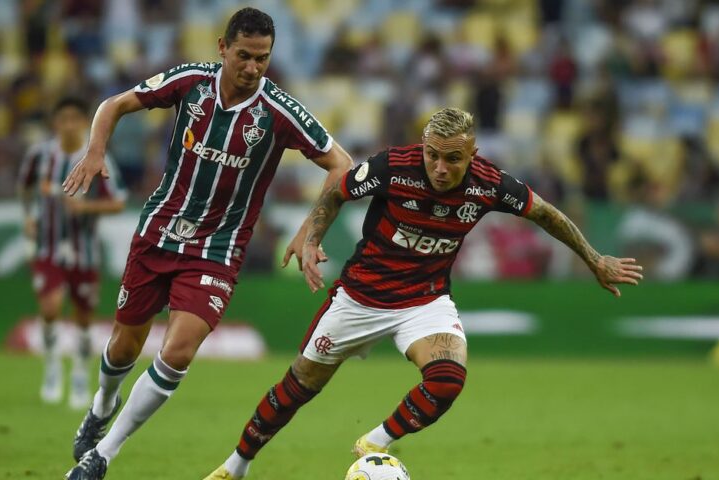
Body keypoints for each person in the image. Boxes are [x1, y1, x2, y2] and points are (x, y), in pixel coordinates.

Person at [203, 108, 643, 479]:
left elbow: (547, 215)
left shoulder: (490, 184)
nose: (439, 167)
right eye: (433, 155)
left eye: (452, 159)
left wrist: (594, 260)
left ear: (472, 154)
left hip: (424, 300)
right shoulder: (393, 166)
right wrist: (313, 236)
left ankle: (375, 443)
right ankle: (234, 467)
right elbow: (336, 192)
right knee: (299, 385)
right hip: (360, 296)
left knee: (448, 380)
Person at [61, 8, 353, 480]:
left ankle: (102, 457)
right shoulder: (190, 81)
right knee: (122, 347)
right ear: (222, 48)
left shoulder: (279, 111)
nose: (253, 68)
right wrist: (95, 151)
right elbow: (113, 104)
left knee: (176, 353)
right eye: (244, 56)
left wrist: (309, 230)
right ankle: (102, 405)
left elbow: (342, 166)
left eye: (263, 58)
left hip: (217, 250)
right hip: (158, 232)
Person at [19, 96, 127, 408]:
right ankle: (52, 367)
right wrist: (28, 215)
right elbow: (25, 187)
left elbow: (118, 201)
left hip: (85, 250)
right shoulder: (40, 155)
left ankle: (79, 373)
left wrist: (85, 206)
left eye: (74, 119)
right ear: (55, 123)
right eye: (62, 119)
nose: (68, 125)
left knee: (83, 320)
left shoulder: (97, 157)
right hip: (47, 247)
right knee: (51, 308)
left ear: (83, 123)